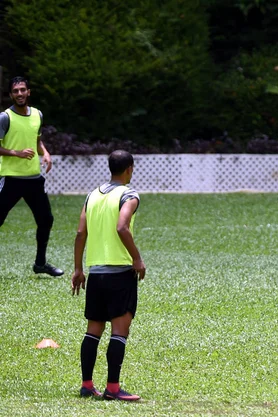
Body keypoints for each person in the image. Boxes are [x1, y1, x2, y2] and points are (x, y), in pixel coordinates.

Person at [71, 150, 146, 401]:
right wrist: (137, 258)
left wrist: (78, 269)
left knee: (93, 330)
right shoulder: (129, 195)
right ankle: (113, 389)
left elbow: (81, 233)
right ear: (129, 169)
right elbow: (122, 226)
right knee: (119, 331)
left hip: (95, 274)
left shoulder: (92, 195)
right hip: (120, 273)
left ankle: (86, 385)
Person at [0, 76, 63, 276]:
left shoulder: (38, 115)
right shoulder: (5, 118)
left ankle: (40, 264)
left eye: (22, 90)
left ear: (29, 92)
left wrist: (45, 152)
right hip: (9, 178)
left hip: (33, 179)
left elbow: (37, 140)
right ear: (11, 95)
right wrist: (15, 153)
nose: (19, 94)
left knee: (46, 220)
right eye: (15, 91)